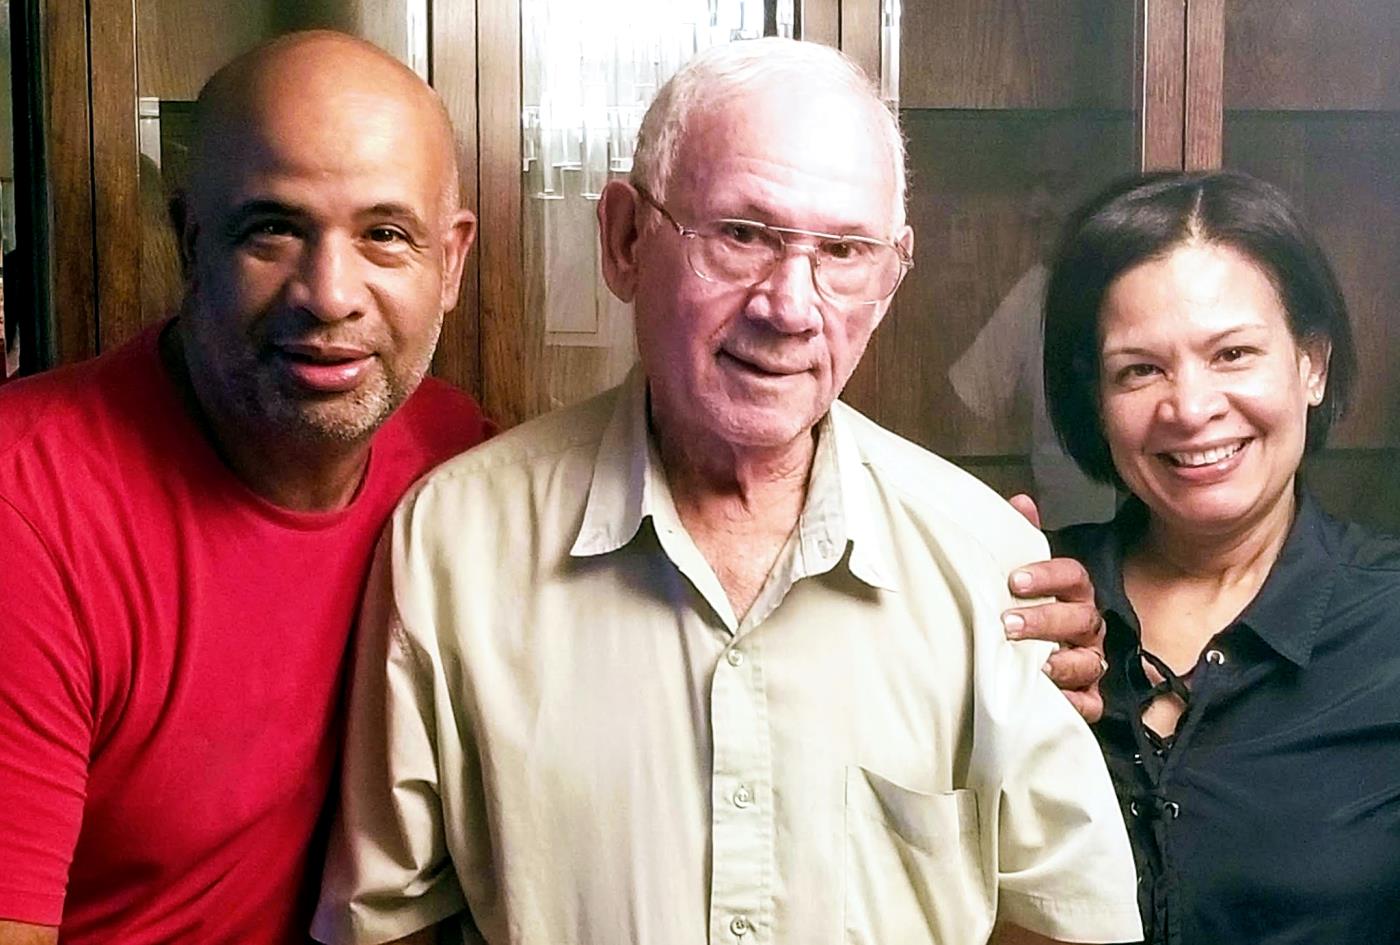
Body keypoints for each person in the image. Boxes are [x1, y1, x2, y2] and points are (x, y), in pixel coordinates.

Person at [313, 38, 1141, 945]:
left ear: (891, 276)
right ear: (625, 239)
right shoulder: (454, 544)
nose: (791, 306)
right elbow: (393, 924)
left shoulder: (992, 565)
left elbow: (1059, 918)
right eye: (742, 234)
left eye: (844, 250)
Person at [0, 31, 491, 945]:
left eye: (385, 235)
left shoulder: (461, 464)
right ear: (192, 242)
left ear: (452, 262)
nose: (329, 294)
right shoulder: (25, 510)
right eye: (273, 228)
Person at [1042, 170, 1400, 943]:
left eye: (1233, 353)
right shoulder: (1031, 603)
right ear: (1096, 400)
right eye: (1140, 369)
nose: (1191, 407)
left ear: (1312, 364)